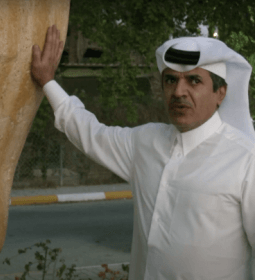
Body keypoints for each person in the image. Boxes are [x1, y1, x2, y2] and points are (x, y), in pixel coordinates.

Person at [31, 25, 255, 280]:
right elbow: (89, 133)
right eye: (171, 80)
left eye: (194, 80)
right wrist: (48, 81)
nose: (179, 92)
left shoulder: (246, 160)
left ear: (220, 93)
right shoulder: (145, 141)